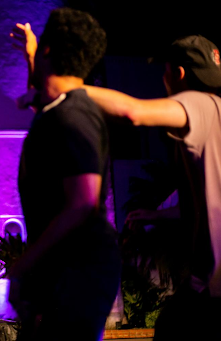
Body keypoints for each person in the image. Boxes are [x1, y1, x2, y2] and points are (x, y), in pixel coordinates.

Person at [80, 34, 221, 340]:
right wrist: (154, 215)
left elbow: (134, 112)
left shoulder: (198, 103)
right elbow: (204, 204)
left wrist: (67, 87)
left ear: (178, 73)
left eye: (165, 70)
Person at [8, 8, 122, 341]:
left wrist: (25, 264)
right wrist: (32, 57)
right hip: (67, 267)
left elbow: (83, 202)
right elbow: (40, 101)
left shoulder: (74, 116)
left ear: (49, 51)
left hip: (80, 268)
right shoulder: (60, 109)